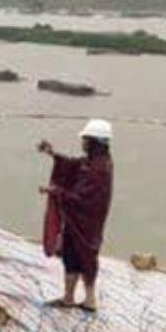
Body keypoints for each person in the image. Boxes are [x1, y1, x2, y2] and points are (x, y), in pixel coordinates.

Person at [38, 119, 113, 312]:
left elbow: (83, 197)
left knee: (86, 255)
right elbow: (73, 165)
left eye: (86, 139)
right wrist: (52, 154)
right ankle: (70, 298)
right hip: (80, 219)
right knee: (72, 254)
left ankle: (89, 300)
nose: (83, 143)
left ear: (94, 141)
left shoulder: (99, 168)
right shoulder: (94, 162)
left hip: (87, 220)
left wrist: (55, 191)